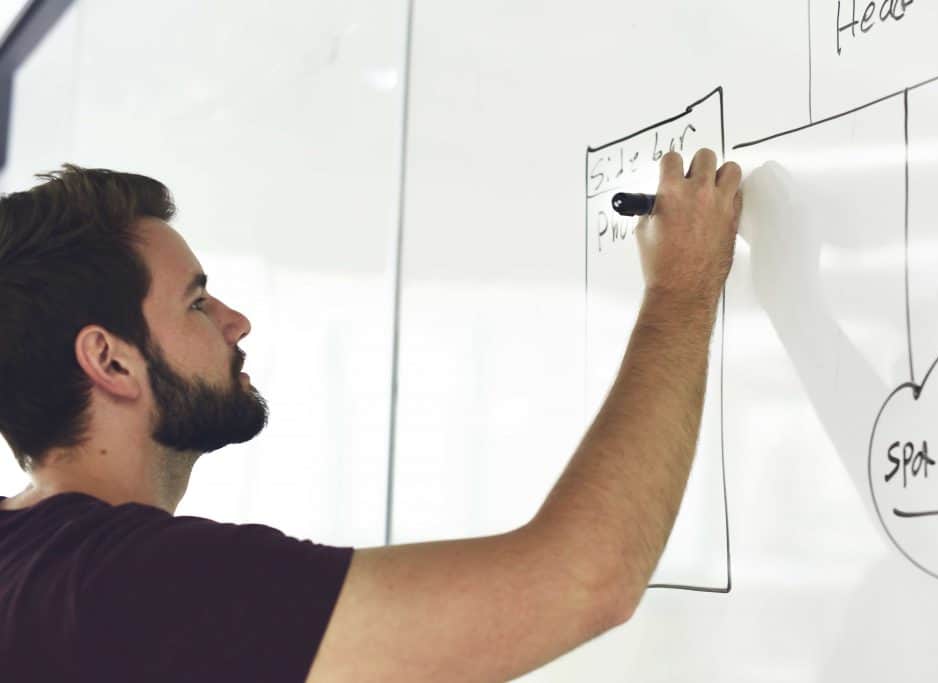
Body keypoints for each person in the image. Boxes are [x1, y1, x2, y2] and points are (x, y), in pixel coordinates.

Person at [0, 148, 741, 682]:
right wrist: (681, 290)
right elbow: (584, 580)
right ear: (111, 360)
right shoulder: (140, 585)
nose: (236, 321)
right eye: (196, 302)